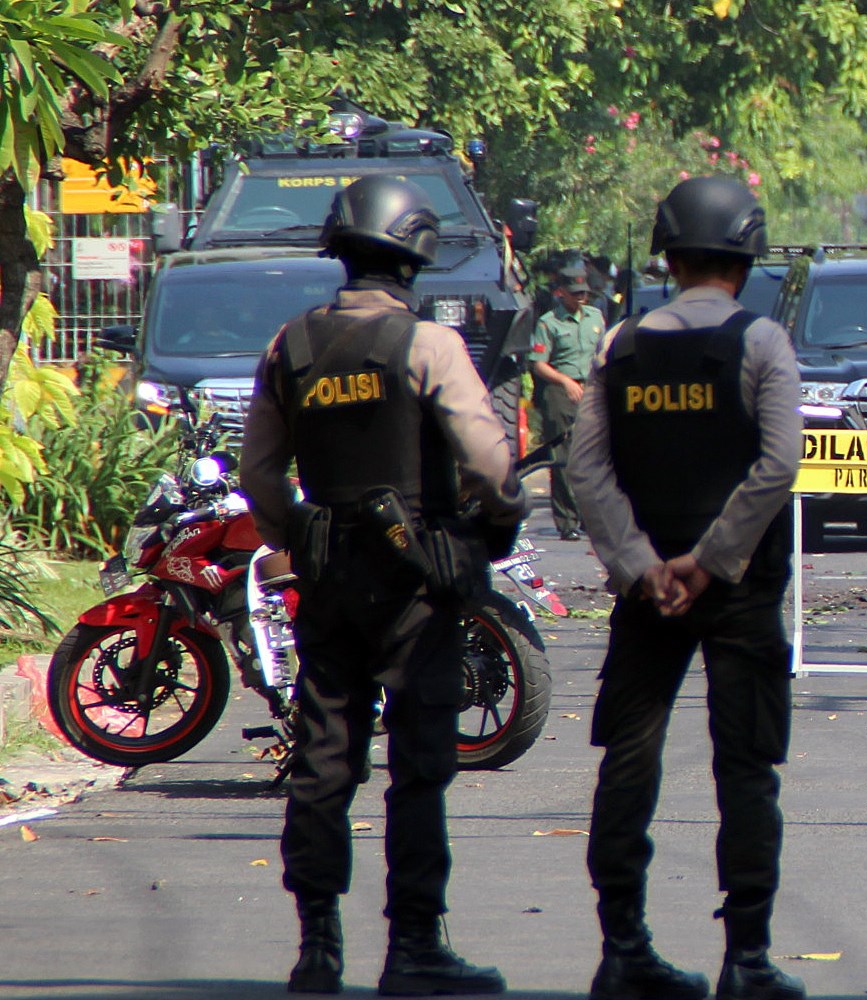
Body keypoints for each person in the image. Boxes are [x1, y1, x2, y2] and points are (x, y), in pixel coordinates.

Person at [239, 176, 525, 996]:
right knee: (420, 765)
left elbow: (260, 476)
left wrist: (304, 536)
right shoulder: (428, 346)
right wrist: (493, 525)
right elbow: (487, 465)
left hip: (328, 579)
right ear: (418, 255)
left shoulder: (288, 346)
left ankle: (317, 949)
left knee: (324, 762)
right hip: (416, 584)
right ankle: (413, 948)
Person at [568, 175, 806, 1000]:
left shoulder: (620, 345)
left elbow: (585, 470)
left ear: (667, 256)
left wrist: (642, 566)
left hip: (646, 596)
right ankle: (746, 961)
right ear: (746, 256)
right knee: (745, 769)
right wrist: (710, 560)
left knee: (628, 760)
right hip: (737, 587)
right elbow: (778, 465)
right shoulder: (763, 344)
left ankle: (621, 948)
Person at [532, 272, 607, 540]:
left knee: (594, 456)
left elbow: (602, 353)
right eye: (575, 293)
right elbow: (539, 363)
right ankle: (567, 522)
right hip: (561, 391)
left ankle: (590, 518)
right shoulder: (548, 323)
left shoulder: (596, 317)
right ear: (561, 293)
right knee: (563, 458)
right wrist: (565, 382)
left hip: (591, 388)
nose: (581, 298)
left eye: (584, 293)